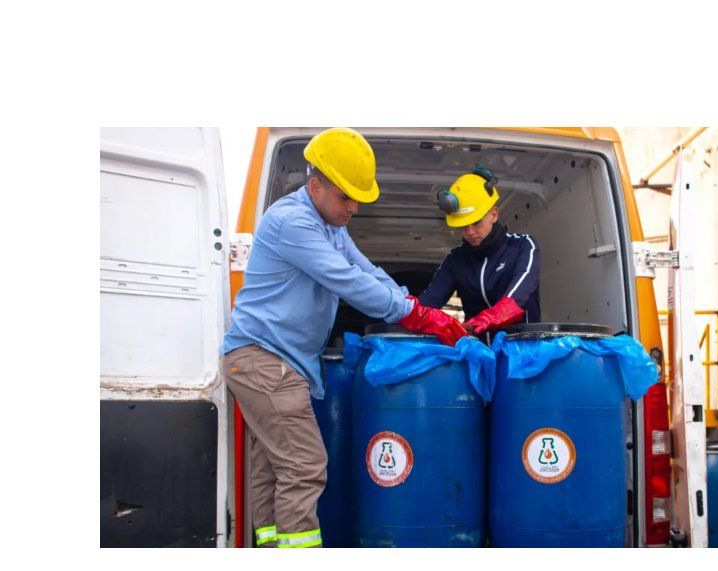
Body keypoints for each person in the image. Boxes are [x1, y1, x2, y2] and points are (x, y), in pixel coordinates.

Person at [222, 127, 467, 548]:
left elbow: (365, 270)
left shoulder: (330, 225)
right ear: (315, 186)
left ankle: (270, 545)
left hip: (273, 360)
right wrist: (413, 315)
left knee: (273, 467)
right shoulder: (294, 222)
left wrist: (410, 303)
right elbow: (346, 280)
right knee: (304, 466)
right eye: (345, 197)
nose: (353, 207)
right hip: (265, 360)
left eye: (357, 198)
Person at [418, 165, 540, 334]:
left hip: (522, 345)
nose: (469, 232)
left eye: (476, 222)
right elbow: (428, 302)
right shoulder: (456, 260)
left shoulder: (523, 246)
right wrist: (405, 314)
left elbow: (520, 293)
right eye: (463, 226)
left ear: (494, 214)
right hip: (477, 347)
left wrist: (491, 317)